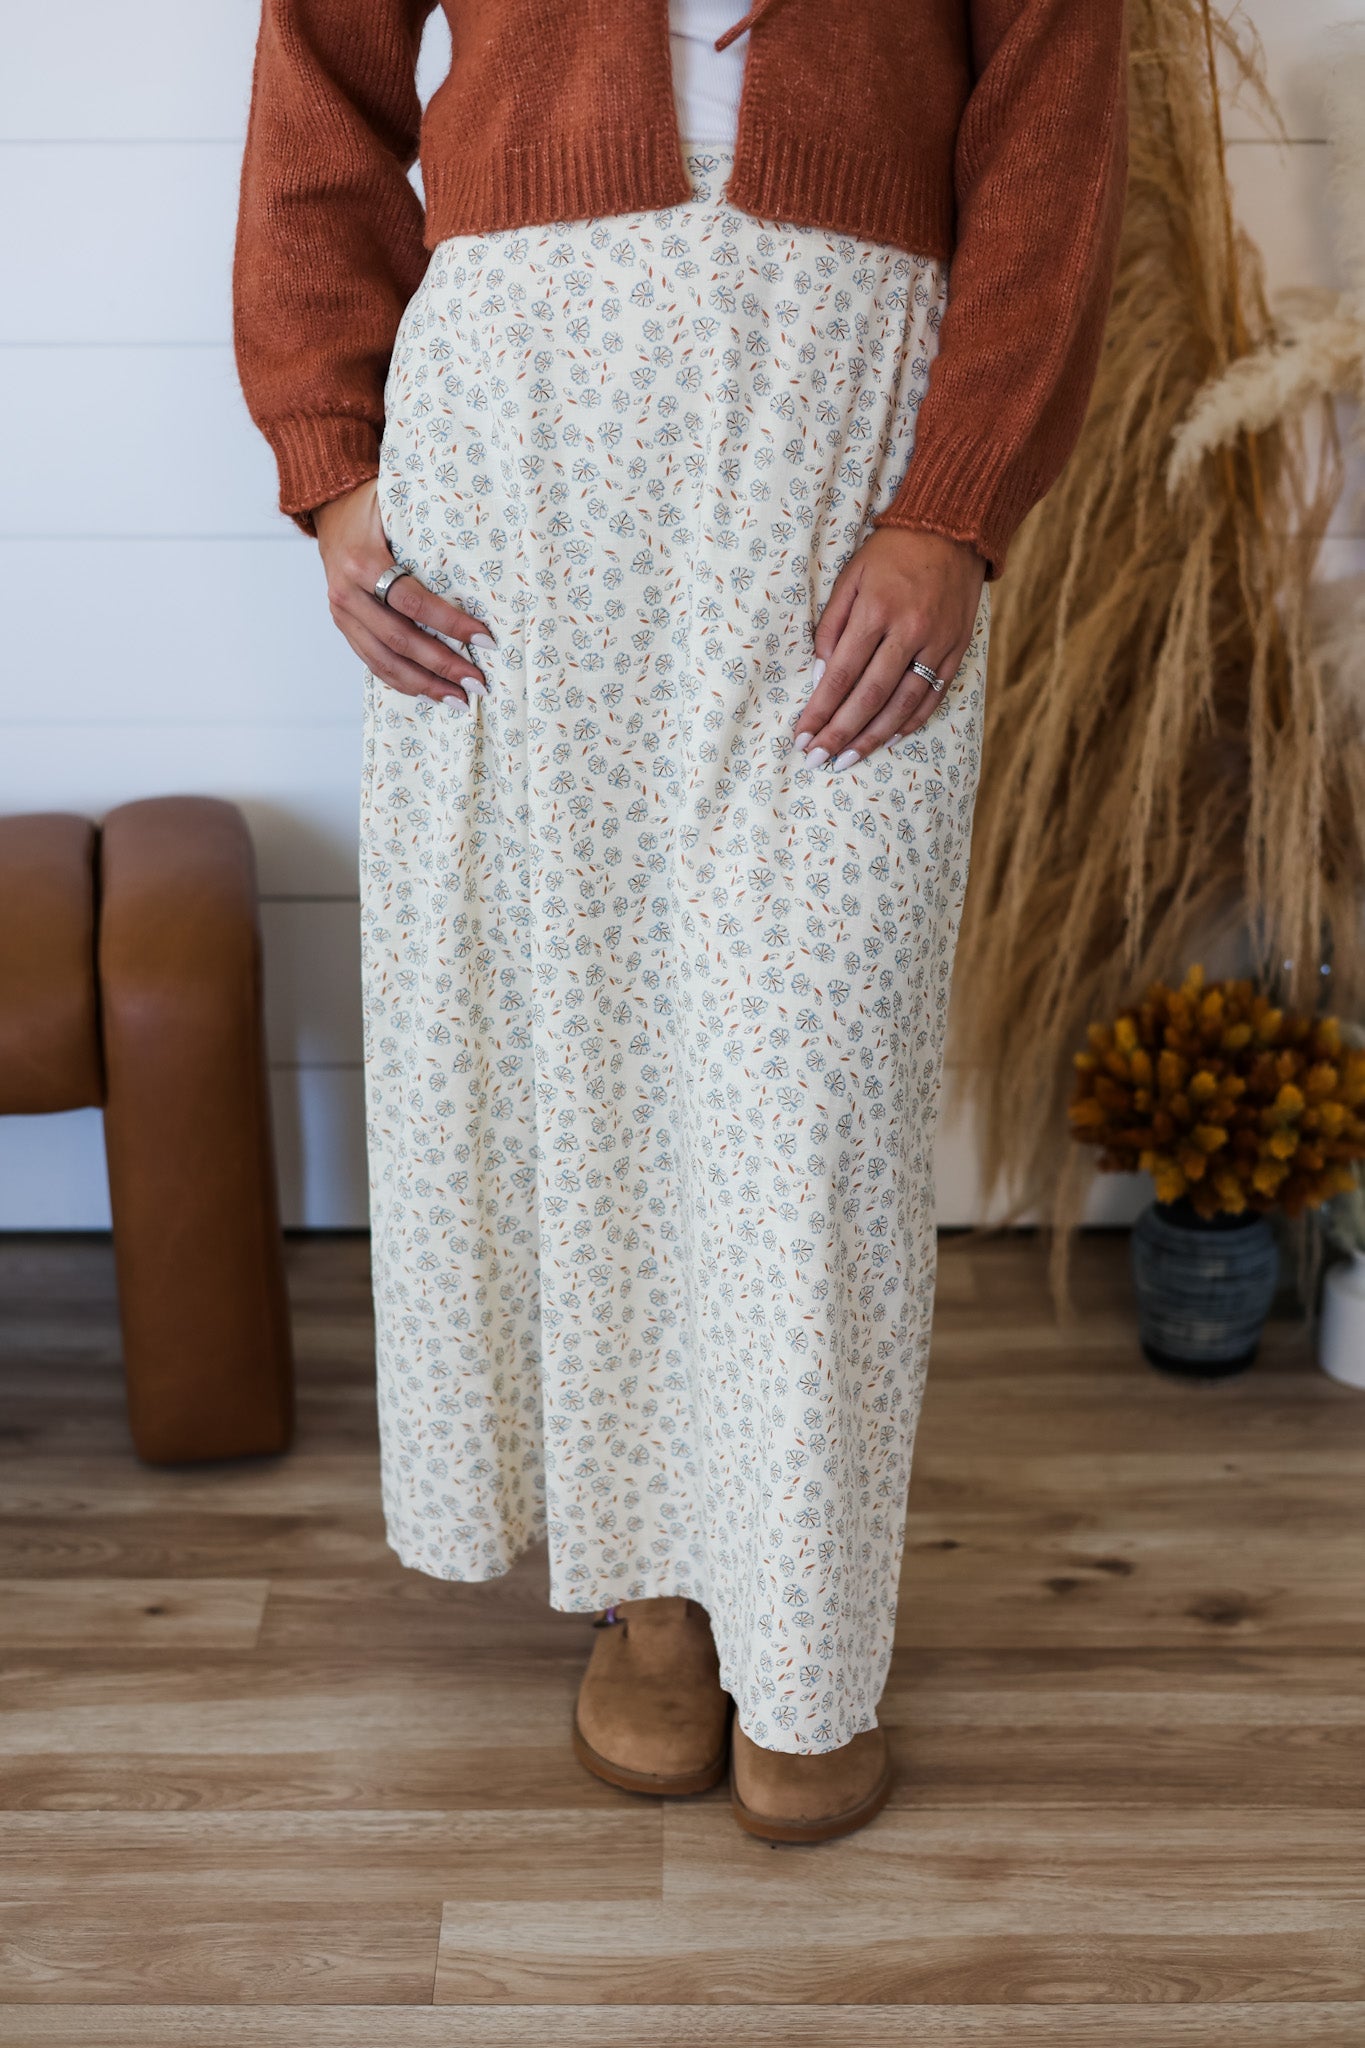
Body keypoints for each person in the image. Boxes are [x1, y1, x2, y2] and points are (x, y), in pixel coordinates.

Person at [233, 0, 1127, 1843]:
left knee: (810, 1096)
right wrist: (335, 467)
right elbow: (314, 88)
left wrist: (954, 509)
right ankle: (648, 1591)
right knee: (577, 1045)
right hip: (519, 445)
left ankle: (802, 1630)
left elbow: (1051, 145)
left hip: (845, 443)